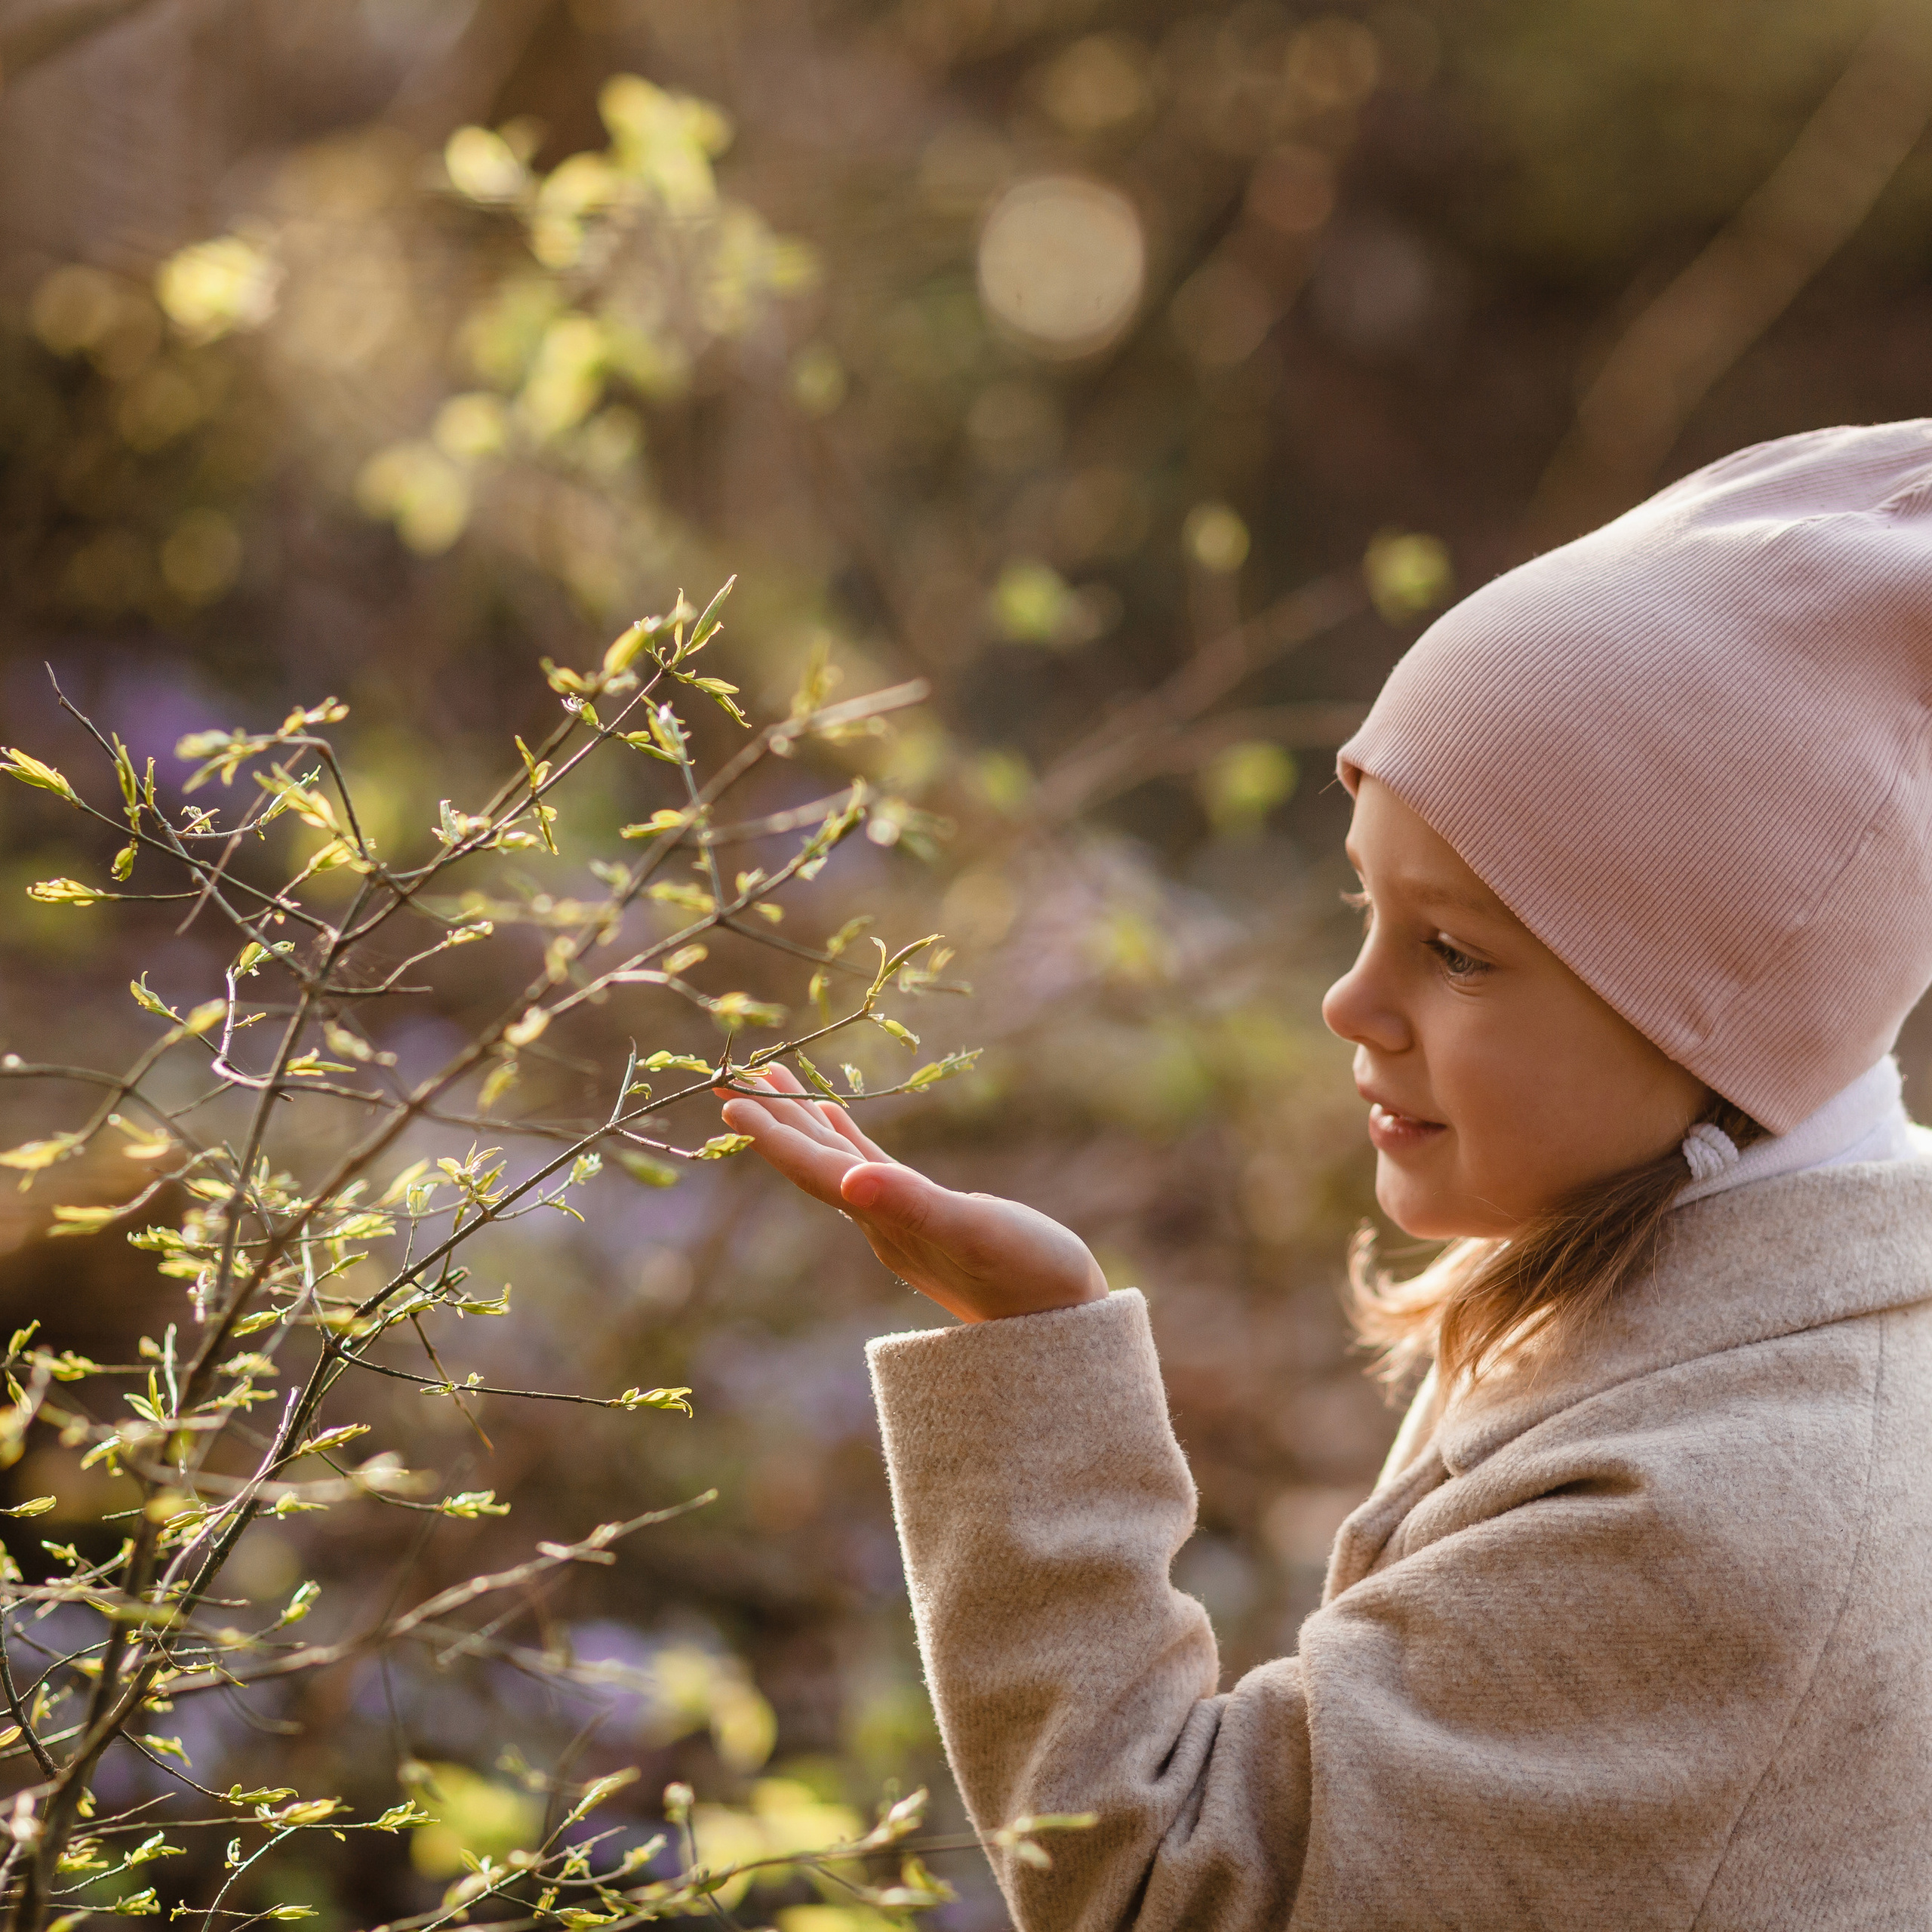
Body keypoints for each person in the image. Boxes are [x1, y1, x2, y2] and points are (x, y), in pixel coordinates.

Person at [718, 420, 1932, 1928]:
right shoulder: (1729, 1284)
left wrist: (1031, 1354)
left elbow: (1175, 1889)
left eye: (1453, 949)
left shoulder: (1709, 1521)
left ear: (1715, 1018)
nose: (1346, 1004)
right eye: (1363, 905)